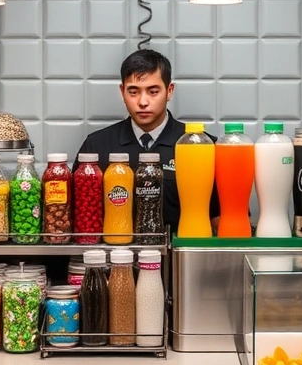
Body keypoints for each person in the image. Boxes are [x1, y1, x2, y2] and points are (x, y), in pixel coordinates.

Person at [74, 49, 219, 233]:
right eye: (133, 92)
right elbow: (79, 217)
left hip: (180, 258)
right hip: (114, 256)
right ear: (122, 92)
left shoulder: (201, 146)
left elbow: (219, 220)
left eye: (153, 91)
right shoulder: (96, 146)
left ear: (169, 91)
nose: (143, 102)